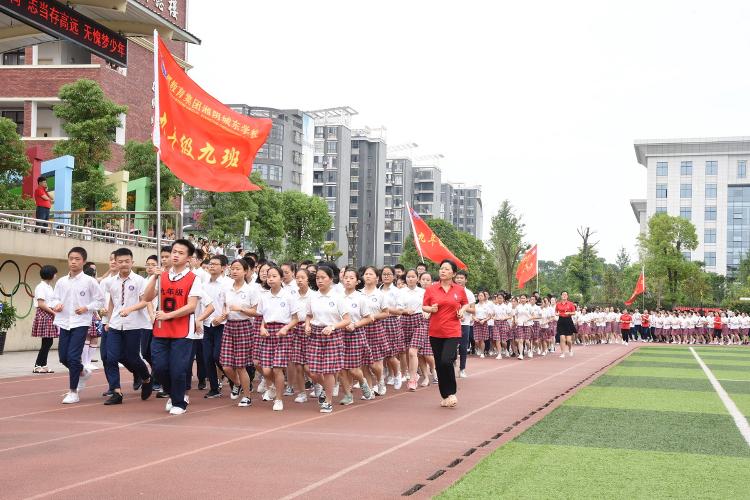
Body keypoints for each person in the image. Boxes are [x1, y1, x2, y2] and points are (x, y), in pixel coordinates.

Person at [142, 239, 202, 415]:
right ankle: (174, 393)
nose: (175, 255)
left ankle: (179, 401)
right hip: (161, 329)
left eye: (181, 253)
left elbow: (191, 306)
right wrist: (154, 276)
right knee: (159, 368)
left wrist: (168, 315)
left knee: (177, 369)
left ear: (189, 258)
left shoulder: (194, 279)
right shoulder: (162, 276)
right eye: (174, 251)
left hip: (183, 331)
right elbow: (146, 297)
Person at [49, 247, 105, 404]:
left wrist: (86, 307)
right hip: (64, 322)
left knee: (73, 357)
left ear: (84, 261)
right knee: (63, 358)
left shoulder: (90, 281)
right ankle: (82, 371)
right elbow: (53, 299)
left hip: (80, 323)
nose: (73, 262)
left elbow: (100, 300)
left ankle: (73, 391)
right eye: (71, 258)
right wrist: (56, 305)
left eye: (77, 259)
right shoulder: (61, 281)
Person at [101, 248, 154, 405]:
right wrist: (109, 321)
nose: (123, 264)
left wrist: (130, 309)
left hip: (134, 324)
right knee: (110, 357)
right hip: (116, 324)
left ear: (132, 262)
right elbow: (112, 301)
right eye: (120, 262)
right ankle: (116, 392)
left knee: (132, 357)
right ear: (115, 262)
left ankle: (146, 378)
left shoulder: (140, 281)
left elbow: (145, 301)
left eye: (127, 261)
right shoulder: (110, 282)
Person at [422, 259, 469, 408]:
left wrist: (461, 311)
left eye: (447, 269)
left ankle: (452, 393)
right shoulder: (431, 289)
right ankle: (445, 395)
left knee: (446, 361)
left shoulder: (459, 290)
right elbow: (424, 306)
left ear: (453, 273)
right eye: (441, 268)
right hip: (435, 332)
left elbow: (465, 303)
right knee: (439, 365)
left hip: (452, 331)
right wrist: (431, 309)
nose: (443, 271)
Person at [305, 266, 350, 413]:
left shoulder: (338, 297)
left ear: (331, 279)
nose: (319, 280)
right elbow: (309, 315)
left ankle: (328, 401)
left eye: (323, 277)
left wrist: (333, 327)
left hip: (332, 334)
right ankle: (327, 388)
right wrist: (307, 325)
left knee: (329, 370)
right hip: (316, 334)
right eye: (317, 278)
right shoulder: (312, 297)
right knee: (312, 371)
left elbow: (347, 320)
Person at [255, 264, 300, 411]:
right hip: (268, 332)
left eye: (274, 276)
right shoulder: (264, 296)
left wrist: (286, 328)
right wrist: (262, 327)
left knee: (277, 369)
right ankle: (274, 387)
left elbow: (295, 319)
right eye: (268, 277)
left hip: (284, 333)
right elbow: (263, 317)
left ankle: (279, 399)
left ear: (281, 278)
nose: (271, 279)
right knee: (266, 370)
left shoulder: (288, 296)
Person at [218, 259, 258, 407]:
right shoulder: (227, 289)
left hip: (244, 326)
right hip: (229, 326)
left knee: (240, 365)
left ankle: (247, 396)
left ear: (246, 271)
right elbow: (224, 306)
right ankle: (237, 383)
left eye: (238, 269)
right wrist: (223, 315)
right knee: (226, 364)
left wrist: (241, 309)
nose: (234, 271)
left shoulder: (251, 290)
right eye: (233, 268)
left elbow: (256, 312)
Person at [339, 267, 374, 405]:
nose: (348, 280)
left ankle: (362, 381)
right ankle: (348, 395)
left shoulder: (361, 298)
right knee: (341, 368)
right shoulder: (337, 296)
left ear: (357, 281)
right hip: (339, 334)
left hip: (355, 334)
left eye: (351, 278)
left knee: (353, 369)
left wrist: (355, 325)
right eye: (346, 277)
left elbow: (368, 318)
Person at [196, 255, 230, 398]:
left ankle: (234, 379)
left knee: (218, 357)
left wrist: (222, 317)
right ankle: (214, 388)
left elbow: (229, 305)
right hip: (207, 324)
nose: (211, 266)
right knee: (207, 357)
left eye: (215, 264)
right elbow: (201, 305)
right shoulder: (204, 285)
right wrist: (198, 321)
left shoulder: (228, 284)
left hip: (222, 325)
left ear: (223, 268)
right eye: (210, 264)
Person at [399, 269, 425, 391]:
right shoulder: (401, 292)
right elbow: (397, 308)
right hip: (404, 320)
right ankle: (413, 373)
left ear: (417, 279)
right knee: (406, 351)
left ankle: (412, 379)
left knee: (412, 351)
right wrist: (405, 311)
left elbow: (427, 306)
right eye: (408, 277)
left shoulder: (423, 292)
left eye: (413, 276)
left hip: (419, 320)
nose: (410, 279)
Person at [31, 265, 58, 373]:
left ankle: (43, 364)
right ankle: (37, 365)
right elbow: (41, 304)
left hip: (49, 313)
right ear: (50, 274)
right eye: (55, 273)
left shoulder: (49, 287)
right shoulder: (40, 287)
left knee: (48, 341)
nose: (56, 275)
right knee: (47, 341)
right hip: (44, 314)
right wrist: (53, 312)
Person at [454, 270, 475, 378]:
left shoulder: (469, 293)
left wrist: (463, 309)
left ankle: (462, 369)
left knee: (463, 347)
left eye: (461, 278)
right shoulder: (450, 290)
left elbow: (473, 310)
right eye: (457, 277)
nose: (459, 280)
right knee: (451, 346)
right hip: (451, 323)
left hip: (464, 324)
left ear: (466, 280)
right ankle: (452, 362)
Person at [555, 291, 577, 358]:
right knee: (562, 338)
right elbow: (556, 312)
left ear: (567, 296)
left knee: (569, 340)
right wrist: (557, 314)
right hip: (561, 321)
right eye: (563, 295)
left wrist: (569, 313)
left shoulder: (570, 304)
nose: (564, 296)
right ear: (561, 296)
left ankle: (570, 349)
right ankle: (563, 353)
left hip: (568, 321)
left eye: (565, 295)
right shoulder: (558, 304)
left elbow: (574, 313)